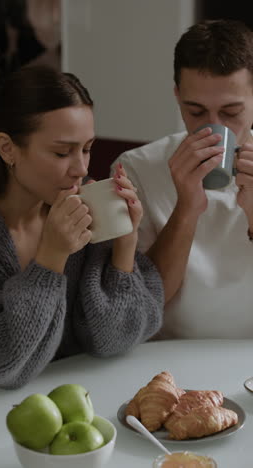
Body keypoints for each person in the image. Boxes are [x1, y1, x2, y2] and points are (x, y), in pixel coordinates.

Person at [0, 65, 164, 389]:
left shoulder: (85, 213)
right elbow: (1, 365)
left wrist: (124, 243)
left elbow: (115, 340)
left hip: (81, 411)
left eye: (86, 149)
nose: (81, 168)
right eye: (61, 152)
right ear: (7, 148)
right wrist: (51, 259)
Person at [112, 19, 253, 339]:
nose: (214, 127)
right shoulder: (136, 170)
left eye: (231, 112)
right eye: (195, 111)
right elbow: (142, 305)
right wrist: (187, 208)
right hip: (167, 361)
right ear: (177, 96)